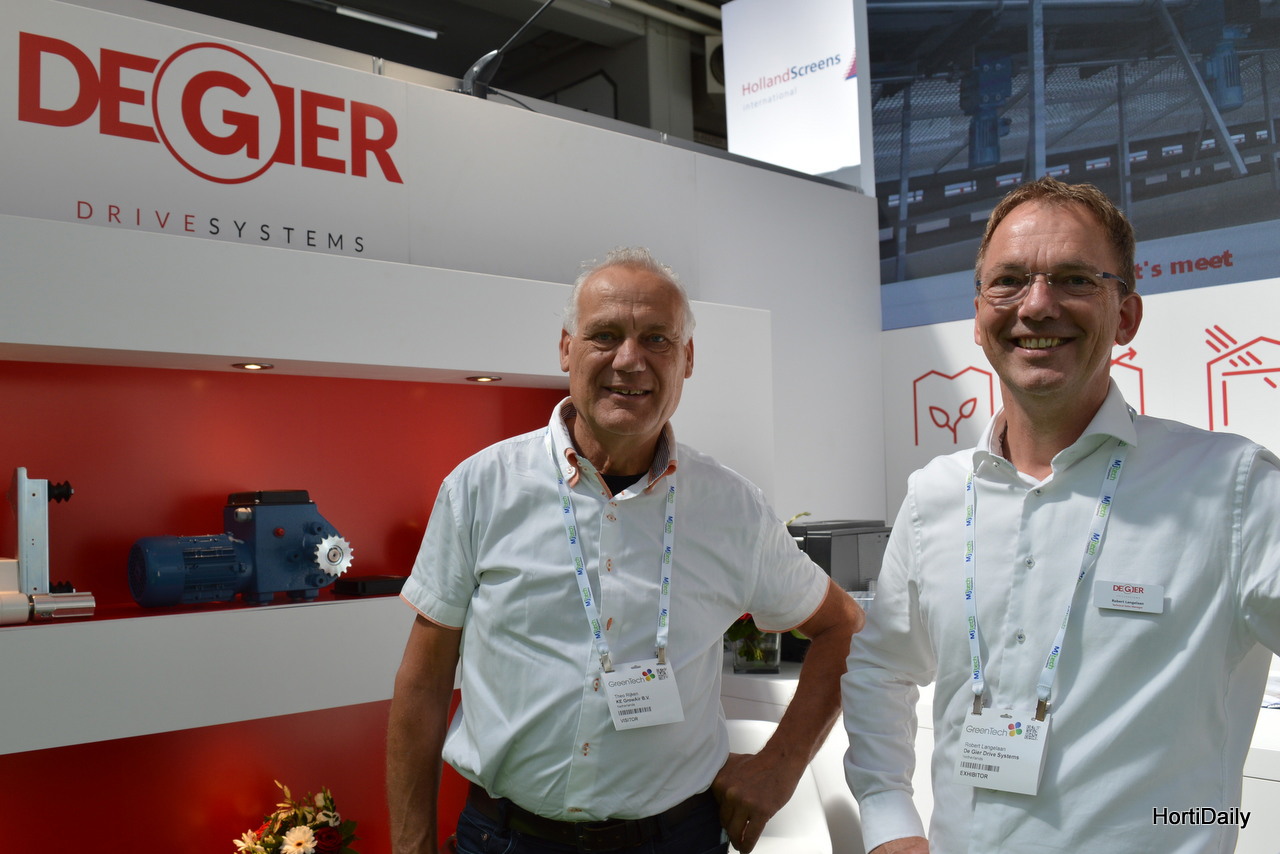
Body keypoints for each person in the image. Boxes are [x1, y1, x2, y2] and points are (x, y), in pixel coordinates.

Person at [843, 176, 1280, 853]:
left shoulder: (1233, 487)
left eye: (1075, 279)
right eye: (1009, 281)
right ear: (978, 316)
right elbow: (881, 670)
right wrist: (889, 822)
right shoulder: (934, 496)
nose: (1037, 305)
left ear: (1125, 316)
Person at [388, 247, 862, 854]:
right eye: (605, 335)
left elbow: (842, 626)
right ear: (567, 348)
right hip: (505, 839)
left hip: (675, 840)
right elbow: (424, 684)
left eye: (657, 339)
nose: (629, 360)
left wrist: (781, 765)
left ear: (688, 358)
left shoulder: (732, 508)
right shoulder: (482, 488)